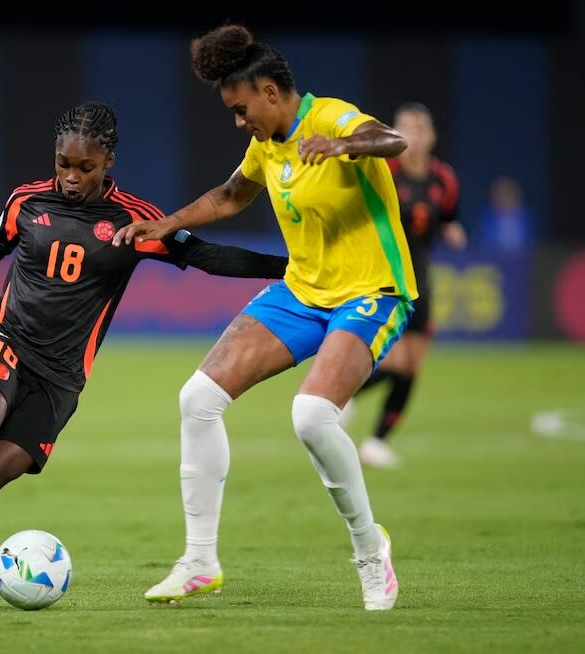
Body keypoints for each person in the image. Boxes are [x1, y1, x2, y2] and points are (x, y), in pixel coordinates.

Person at [0, 101, 287, 611]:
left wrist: (291, 267)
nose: (71, 177)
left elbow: (208, 257)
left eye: (85, 167)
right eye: (64, 164)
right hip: (7, 340)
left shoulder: (135, 220)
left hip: (61, 377)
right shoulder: (27, 201)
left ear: (109, 162)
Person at [113, 25, 413, 610]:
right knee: (197, 398)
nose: (238, 121)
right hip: (303, 291)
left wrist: (345, 147)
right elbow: (231, 195)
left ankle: (369, 549)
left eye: (241, 108)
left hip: (371, 291)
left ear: (271, 92)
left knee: (311, 416)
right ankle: (200, 562)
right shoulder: (267, 144)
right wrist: (168, 224)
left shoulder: (332, 118)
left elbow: (392, 140)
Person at [351, 102, 466, 469]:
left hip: (421, 279)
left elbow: (447, 216)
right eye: (406, 129)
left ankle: (376, 442)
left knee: (412, 366)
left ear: (431, 136)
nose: (413, 137)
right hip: (385, 278)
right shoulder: (383, 170)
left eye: (420, 129)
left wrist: (452, 230)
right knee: (396, 360)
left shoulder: (443, 179)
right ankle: (342, 396)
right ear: (393, 134)